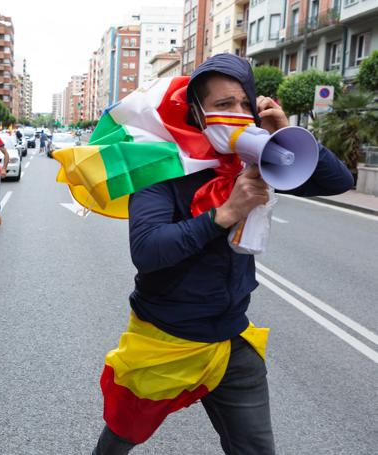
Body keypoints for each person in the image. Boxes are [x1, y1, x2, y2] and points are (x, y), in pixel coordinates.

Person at [92, 54, 353, 454]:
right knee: (120, 439)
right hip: (166, 342)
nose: (239, 113)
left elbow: (338, 181)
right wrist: (226, 213)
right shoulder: (163, 165)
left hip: (232, 340)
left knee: (255, 448)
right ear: (198, 113)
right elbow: (147, 250)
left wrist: (287, 132)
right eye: (223, 105)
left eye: (245, 103)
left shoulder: (251, 161)